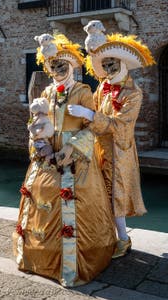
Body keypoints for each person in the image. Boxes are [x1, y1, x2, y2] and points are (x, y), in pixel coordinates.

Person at [13, 33, 116, 287]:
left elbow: (91, 128)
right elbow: (36, 123)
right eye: (52, 66)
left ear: (72, 66)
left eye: (62, 65)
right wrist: (41, 146)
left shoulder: (83, 91)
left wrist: (70, 147)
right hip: (49, 156)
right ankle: (36, 256)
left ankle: (70, 264)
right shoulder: (46, 92)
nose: (57, 70)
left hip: (75, 158)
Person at [68, 21, 155, 259]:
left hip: (119, 150)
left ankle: (124, 241)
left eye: (111, 63)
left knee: (115, 194)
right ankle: (104, 236)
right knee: (96, 192)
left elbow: (120, 125)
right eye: (105, 64)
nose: (107, 68)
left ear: (122, 63)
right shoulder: (104, 86)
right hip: (98, 147)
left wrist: (89, 115)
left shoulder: (134, 93)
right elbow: (94, 108)